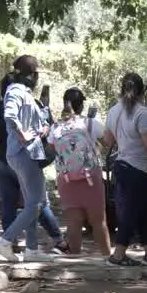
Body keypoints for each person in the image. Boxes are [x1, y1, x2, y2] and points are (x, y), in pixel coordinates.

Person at [0, 86, 66, 252]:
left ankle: (27, 247)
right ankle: (8, 240)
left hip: (3, 161)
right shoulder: (28, 105)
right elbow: (46, 131)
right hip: (22, 157)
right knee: (37, 203)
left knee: (14, 203)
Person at [0, 55, 57, 263]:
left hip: (28, 152)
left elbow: (30, 122)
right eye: (36, 73)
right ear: (31, 75)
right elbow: (10, 115)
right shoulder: (16, 91)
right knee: (38, 203)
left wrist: (42, 127)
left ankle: (31, 249)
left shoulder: (24, 93)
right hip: (24, 152)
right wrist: (23, 135)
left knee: (31, 202)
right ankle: (5, 240)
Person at [104, 73, 147, 266]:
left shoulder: (114, 111)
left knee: (141, 210)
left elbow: (107, 140)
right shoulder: (143, 114)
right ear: (142, 92)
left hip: (122, 165)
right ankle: (118, 255)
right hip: (137, 168)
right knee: (130, 212)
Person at [47, 87, 110, 255]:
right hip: (91, 178)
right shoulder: (90, 123)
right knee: (98, 222)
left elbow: (51, 150)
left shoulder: (55, 127)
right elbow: (108, 143)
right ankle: (107, 259)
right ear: (82, 105)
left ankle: (75, 260)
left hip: (66, 179)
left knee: (73, 222)